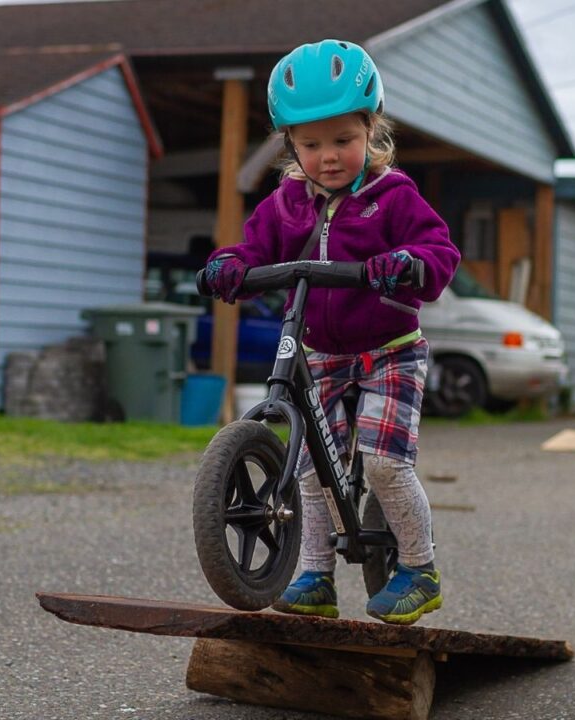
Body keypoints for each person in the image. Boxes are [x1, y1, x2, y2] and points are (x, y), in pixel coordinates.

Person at [204, 39, 460, 625]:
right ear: (290, 143)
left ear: (371, 130)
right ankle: (314, 575)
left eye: (343, 140)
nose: (328, 157)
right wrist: (229, 267)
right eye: (311, 144)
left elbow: (438, 248)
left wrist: (411, 264)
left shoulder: (391, 195)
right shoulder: (287, 202)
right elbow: (253, 249)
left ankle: (419, 567)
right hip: (321, 350)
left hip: (389, 351)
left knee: (383, 463)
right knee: (311, 470)